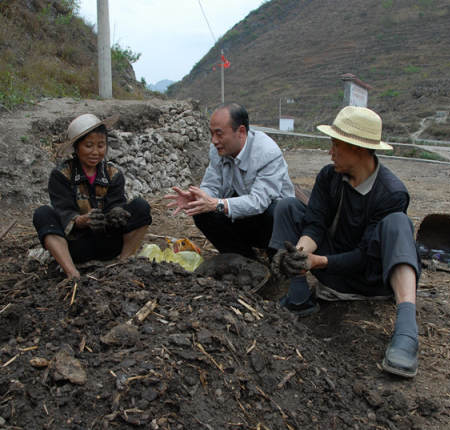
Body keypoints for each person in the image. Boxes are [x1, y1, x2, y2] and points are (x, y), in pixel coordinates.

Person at [270, 106, 421, 378]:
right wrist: (300, 256)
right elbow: (314, 224)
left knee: (399, 223)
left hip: (369, 279)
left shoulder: (391, 193)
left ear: (359, 149)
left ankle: (407, 332)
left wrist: (319, 262)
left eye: (336, 145)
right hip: (332, 274)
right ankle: (299, 298)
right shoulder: (330, 176)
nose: (331, 152)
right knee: (288, 207)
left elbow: (365, 254)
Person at [164, 102, 295, 260]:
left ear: (240, 131)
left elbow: (259, 202)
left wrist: (217, 204)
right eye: (211, 134)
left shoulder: (267, 153)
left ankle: (278, 261)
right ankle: (244, 261)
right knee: (202, 212)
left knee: (275, 210)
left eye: (219, 134)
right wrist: (199, 197)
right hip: (242, 216)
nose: (214, 140)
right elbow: (212, 184)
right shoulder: (218, 150)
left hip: (272, 225)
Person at [33, 113, 152, 280]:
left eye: (101, 145)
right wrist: (82, 220)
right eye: (89, 146)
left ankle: (123, 262)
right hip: (76, 245)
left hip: (108, 242)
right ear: (76, 147)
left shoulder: (113, 174)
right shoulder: (61, 175)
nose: (95, 152)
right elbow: (63, 210)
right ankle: (72, 273)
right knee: (43, 214)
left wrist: (116, 212)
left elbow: (116, 202)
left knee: (141, 206)